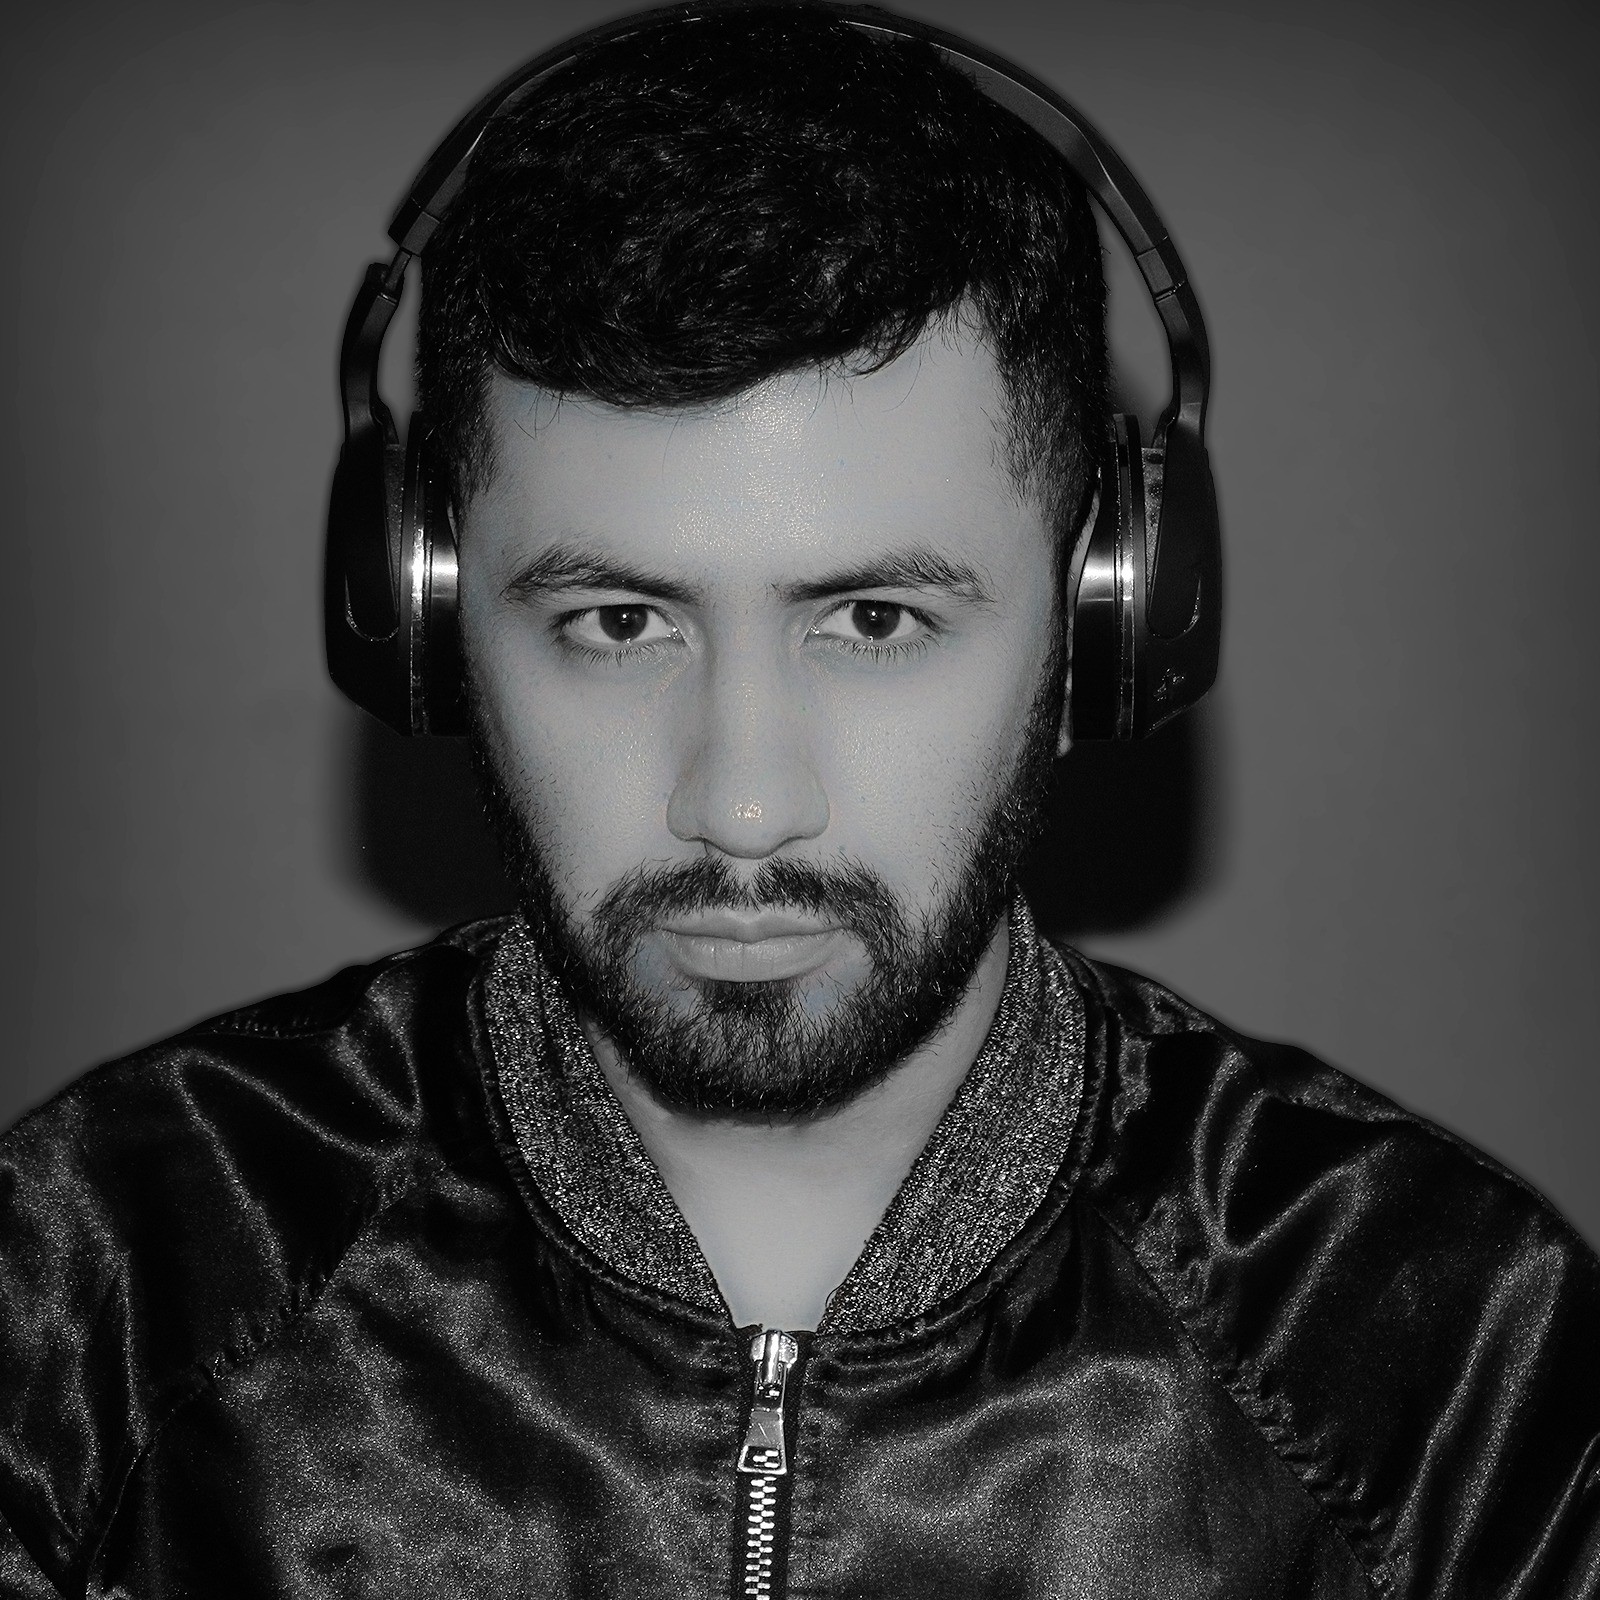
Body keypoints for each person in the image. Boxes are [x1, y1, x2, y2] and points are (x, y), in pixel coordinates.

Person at [2, 4, 1596, 1597]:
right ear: (423, 616)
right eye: (617, 622)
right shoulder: (93, 1294)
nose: (745, 807)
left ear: (1105, 622)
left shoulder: (1452, 1365)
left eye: (876, 620)